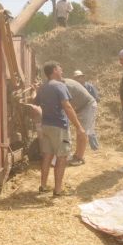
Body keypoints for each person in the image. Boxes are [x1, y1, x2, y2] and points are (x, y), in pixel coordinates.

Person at [34, 61, 85, 197]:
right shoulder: (60, 86)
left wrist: (35, 90)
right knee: (62, 157)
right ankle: (58, 190)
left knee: (47, 157)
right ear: (54, 71)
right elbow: (67, 106)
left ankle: (43, 186)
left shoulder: (44, 87)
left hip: (46, 125)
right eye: (60, 69)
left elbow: (36, 103)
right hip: (59, 126)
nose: (62, 71)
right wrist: (79, 127)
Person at [51, 64, 97, 164]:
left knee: (82, 131)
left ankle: (79, 158)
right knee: (79, 131)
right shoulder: (62, 83)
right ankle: (77, 155)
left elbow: (68, 105)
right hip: (81, 107)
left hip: (87, 106)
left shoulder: (67, 86)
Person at [73, 70, 101, 150]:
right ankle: (89, 147)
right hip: (79, 110)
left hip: (89, 109)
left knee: (89, 127)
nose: (79, 79)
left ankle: (94, 147)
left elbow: (96, 98)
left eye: (80, 77)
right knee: (83, 128)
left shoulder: (89, 86)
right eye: (77, 77)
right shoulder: (75, 88)